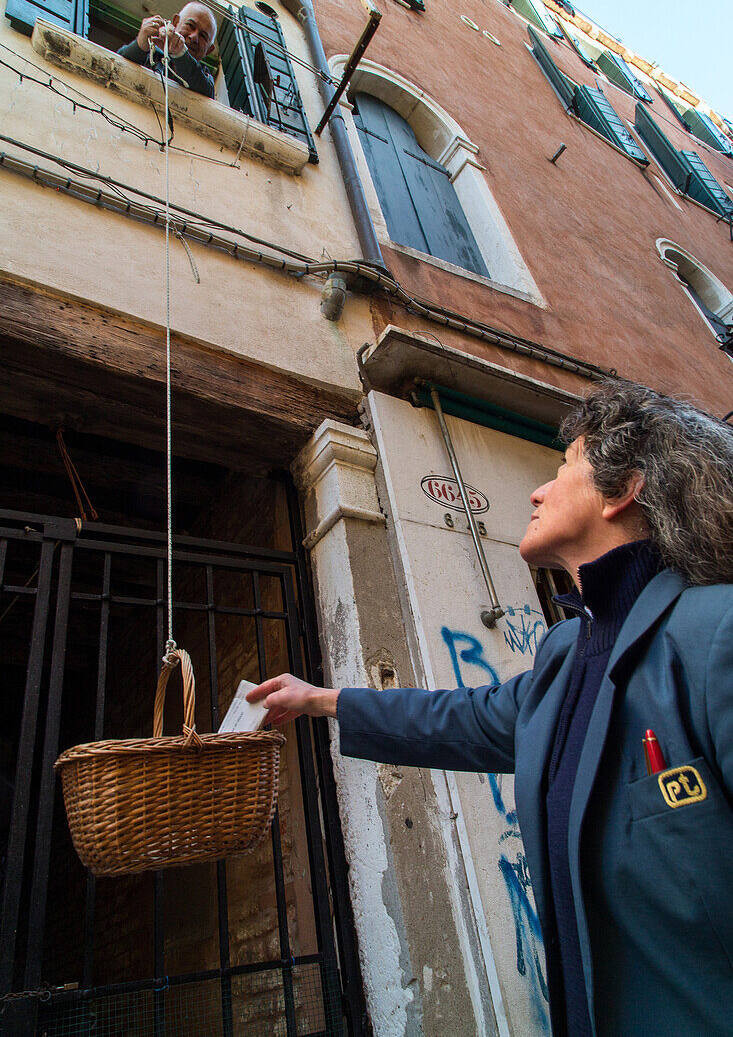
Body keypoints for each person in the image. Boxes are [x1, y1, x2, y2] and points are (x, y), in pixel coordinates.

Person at [248, 379, 733, 1036]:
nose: (537, 491)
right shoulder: (566, 652)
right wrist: (321, 700)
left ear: (623, 491)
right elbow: (465, 718)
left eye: (563, 469)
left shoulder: (714, 632)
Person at [118, 2, 217, 98]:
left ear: (208, 50)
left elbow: (207, 92)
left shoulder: (204, 78)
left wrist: (180, 53)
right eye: (190, 25)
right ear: (175, 22)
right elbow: (117, 63)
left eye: (203, 36)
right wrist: (140, 43)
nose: (194, 37)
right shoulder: (150, 52)